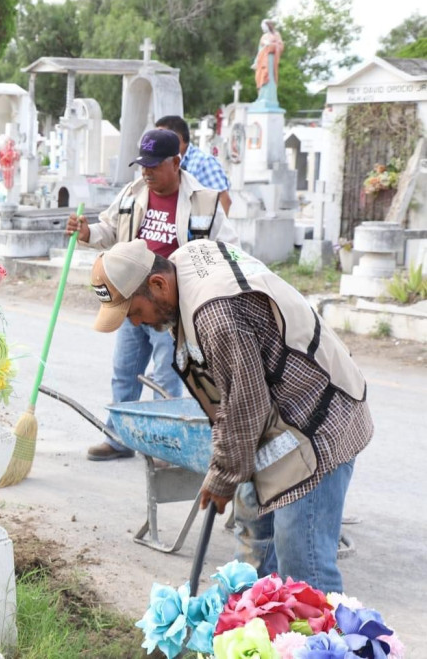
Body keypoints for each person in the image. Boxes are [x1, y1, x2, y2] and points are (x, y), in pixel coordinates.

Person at [89, 238, 372, 593]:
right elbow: (227, 392)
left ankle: (322, 647)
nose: (135, 324)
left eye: (133, 312)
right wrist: (226, 469)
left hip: (317, 423)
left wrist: (223, 476)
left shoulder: (214, 313)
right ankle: (258, 639)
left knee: (304, 573)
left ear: (158, 284)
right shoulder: (184, 261)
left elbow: (244, 403)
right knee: (255, 548)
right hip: (278, 422)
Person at [65, 129, 238, 461]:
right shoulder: (134, 193)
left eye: (154, 166)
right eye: (143, 165)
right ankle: (118, 438)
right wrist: (87, 232)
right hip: (132, 296)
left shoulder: (203, 201)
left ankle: (165, 445)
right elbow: (109, 229)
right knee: (124, 370)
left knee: (166, 376)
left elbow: (227, 249)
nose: (146, 173)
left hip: (169, 305)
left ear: (176, 162)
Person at [154, 115, 231, 212]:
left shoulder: (203, 162)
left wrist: (201, 226)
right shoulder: (167, 162)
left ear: (179, 138)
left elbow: (223, 201)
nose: (157, 142)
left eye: (161, 138)